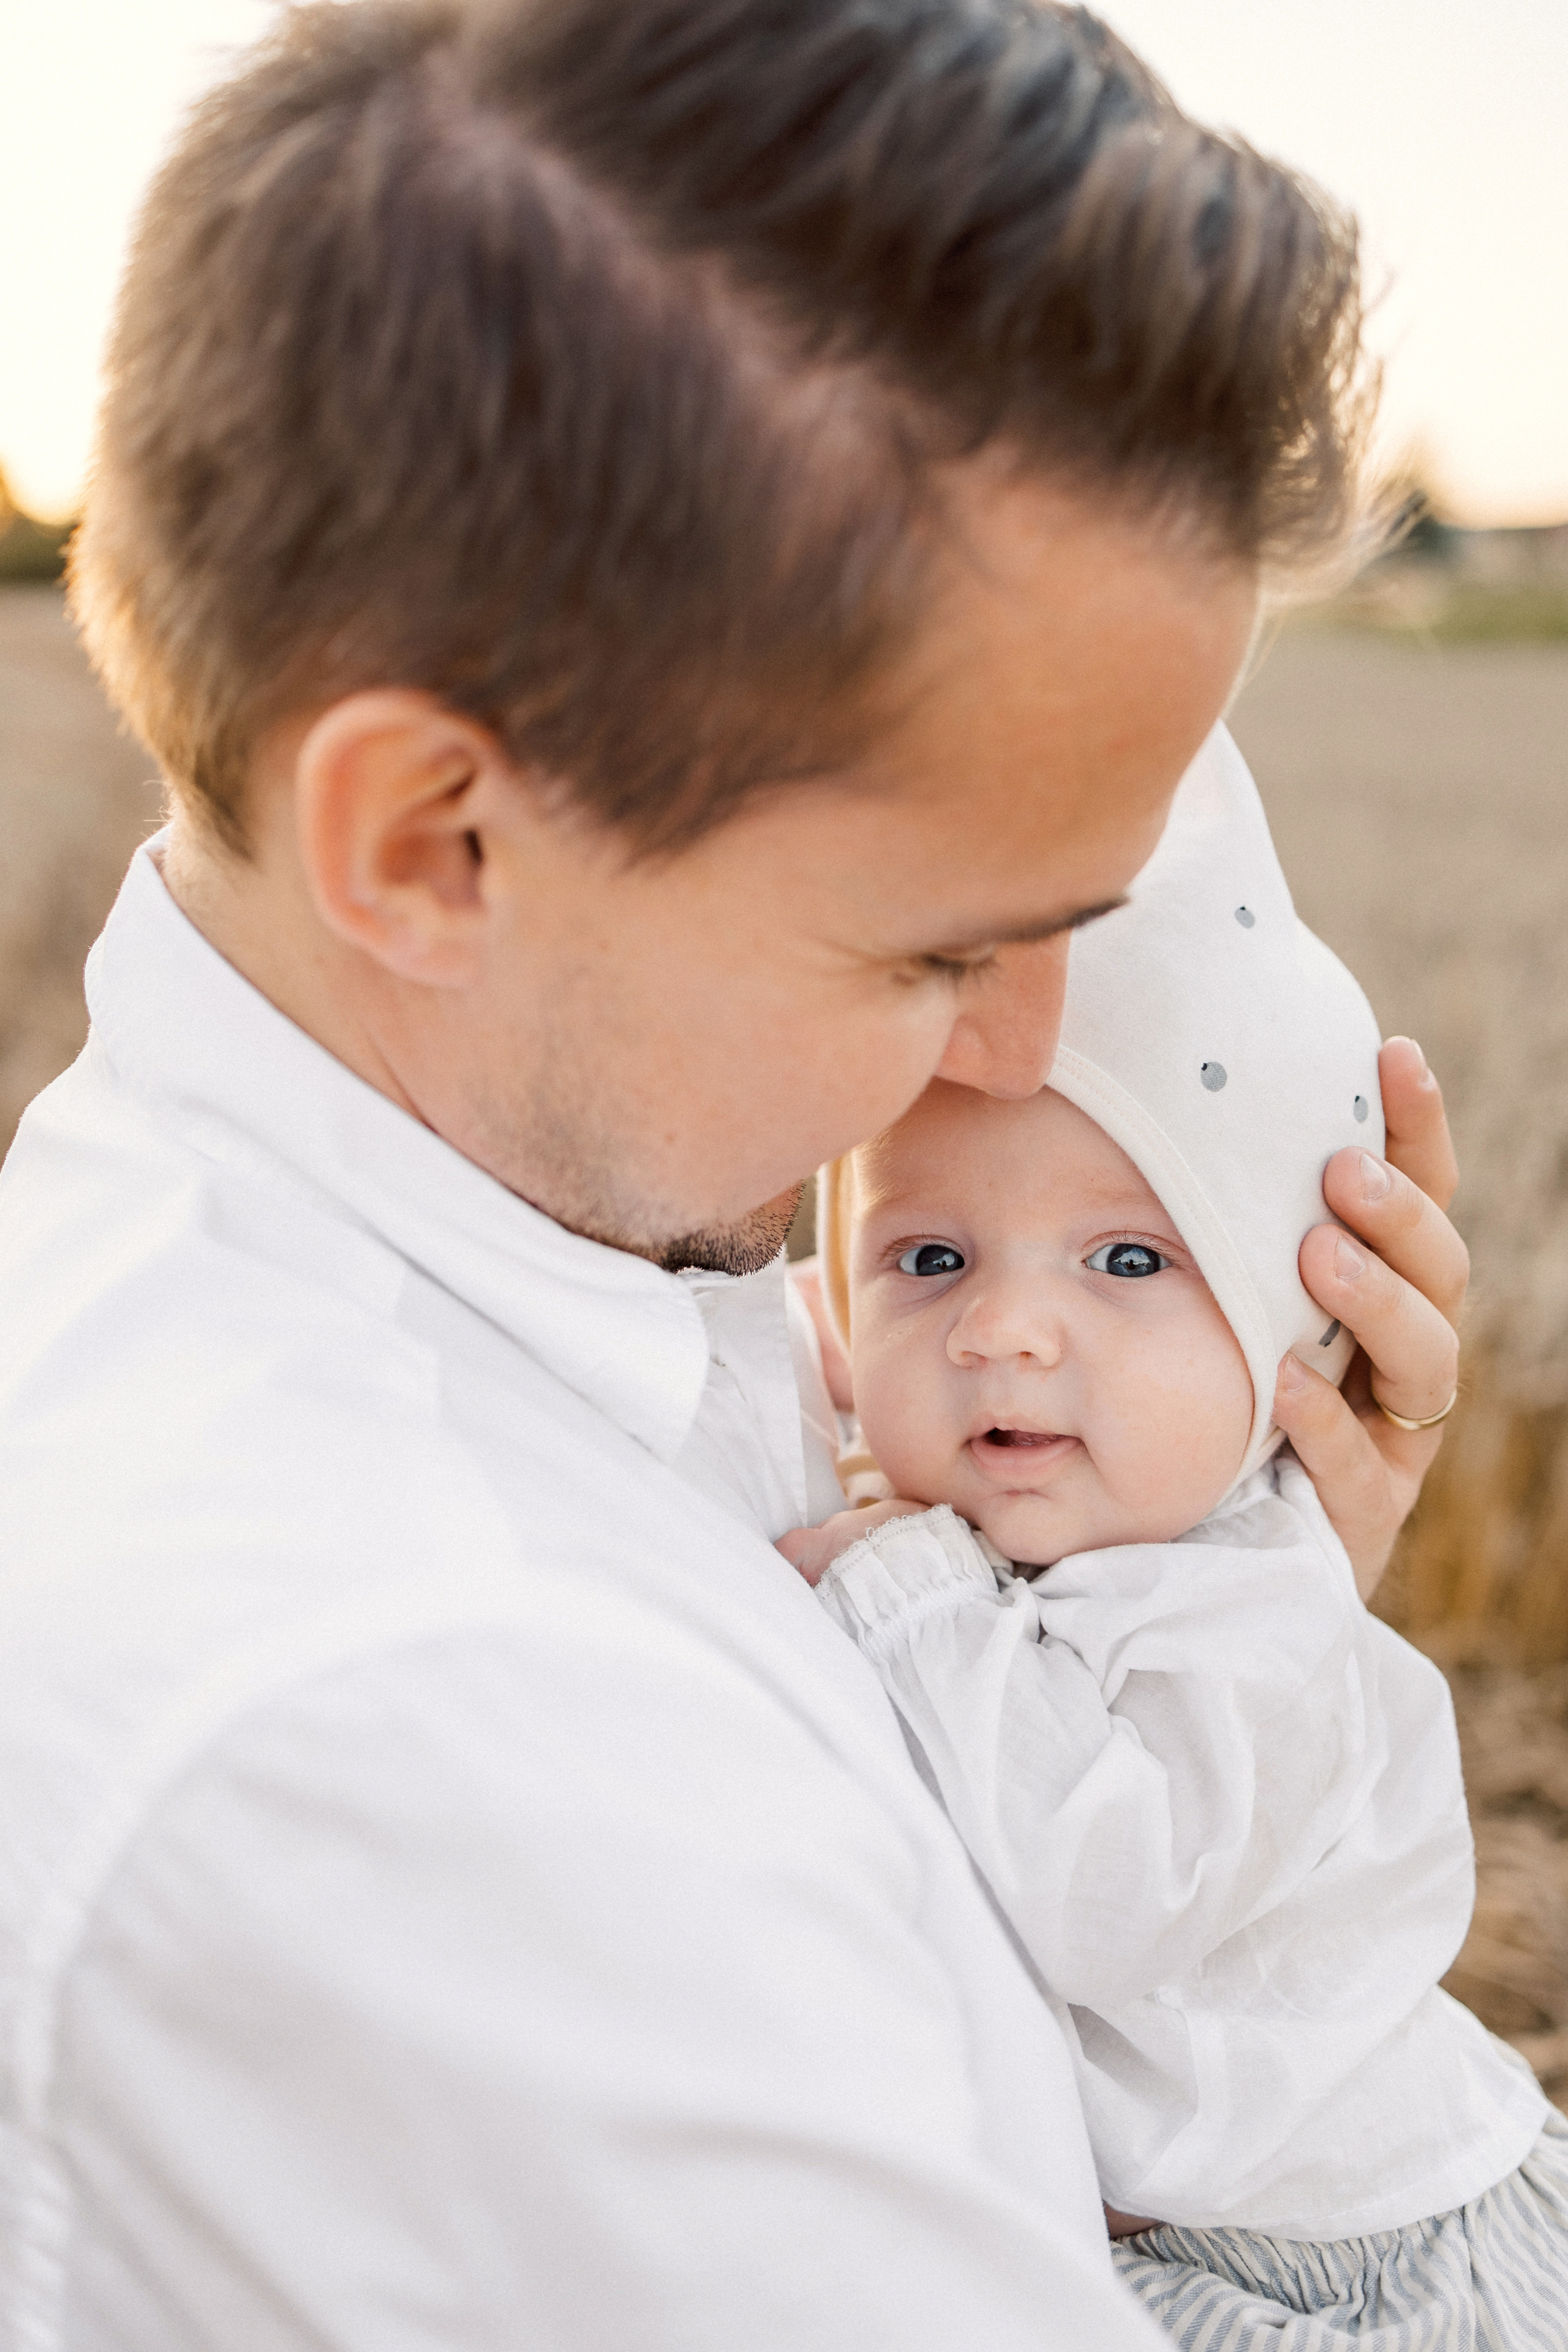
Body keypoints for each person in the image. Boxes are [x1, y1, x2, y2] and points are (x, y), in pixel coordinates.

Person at [0, 2, 1467, 2345]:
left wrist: (1214, 1584)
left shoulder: (499, 1246)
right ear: (435, 839)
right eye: (942, 944)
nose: (1015, 1050)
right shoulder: (459, 1768)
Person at [785, 733, 1563, 2346]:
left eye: (1130, 1264)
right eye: (927, 1255)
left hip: (1344, 2260)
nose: (1005, 1331)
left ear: (1298, 1332)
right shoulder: (1012, 1500)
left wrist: (904, 1590)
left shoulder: (1251, 1611)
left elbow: (1108, 1898)